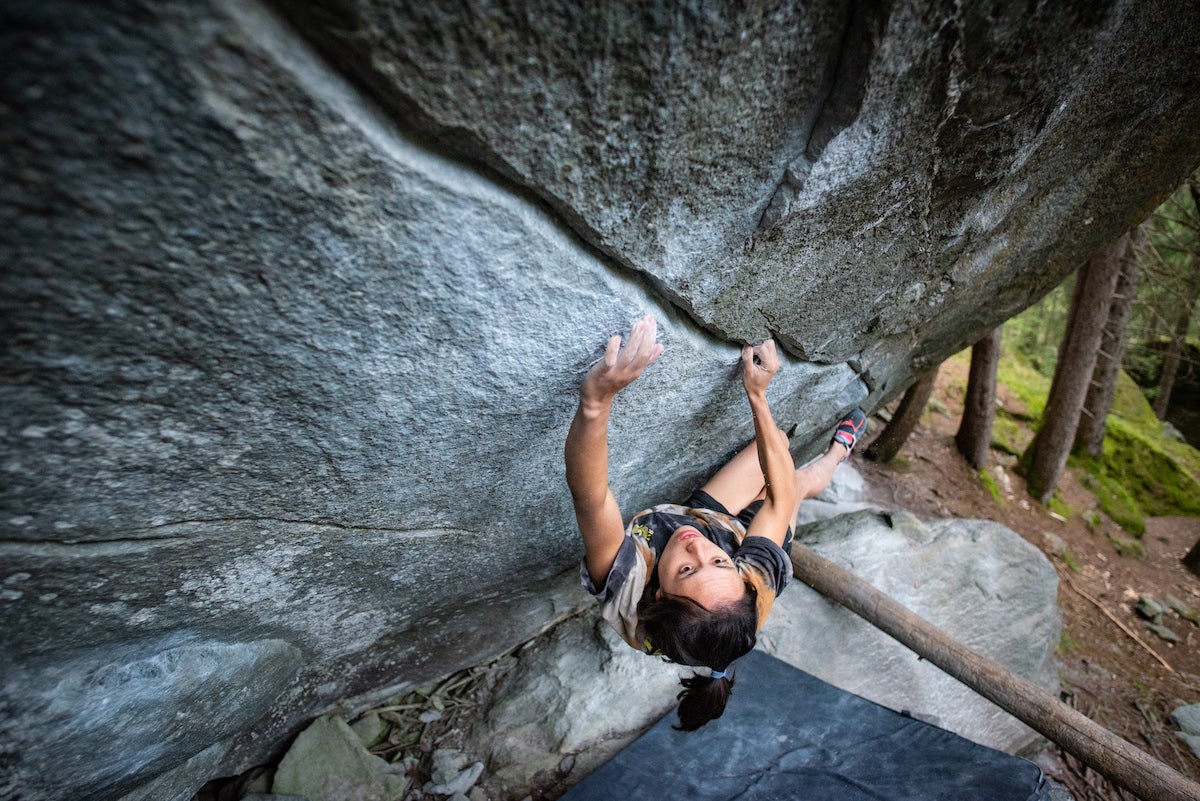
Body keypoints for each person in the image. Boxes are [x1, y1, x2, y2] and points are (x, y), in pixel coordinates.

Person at [565, 314, 867, 731]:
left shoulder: (629, 590)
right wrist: (758, 394)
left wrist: (596, 403)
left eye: (687, 570)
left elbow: (591, 498)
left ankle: (832, 460)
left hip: (701, 533)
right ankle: (832, 461)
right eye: (719, 563)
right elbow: (778, 498)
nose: (698, 548)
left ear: (657, 595)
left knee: (786, 471)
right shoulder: (752, 581)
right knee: (785, 469)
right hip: (730, 535)